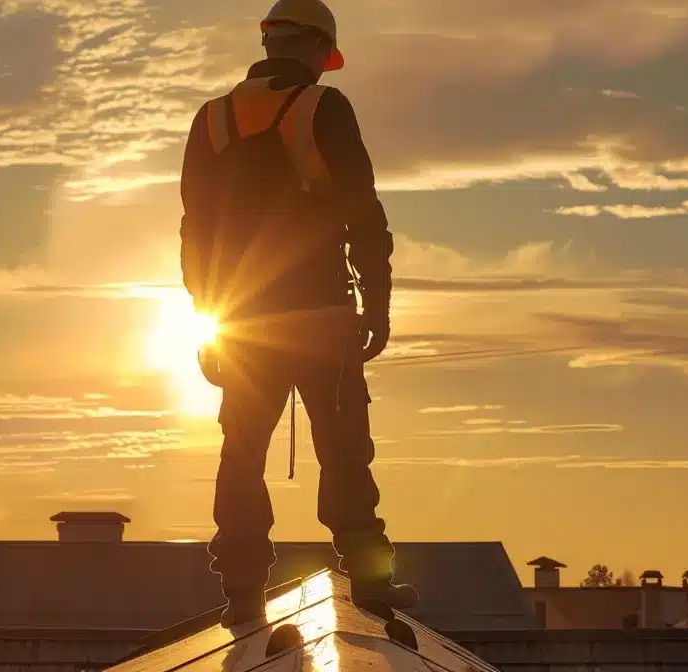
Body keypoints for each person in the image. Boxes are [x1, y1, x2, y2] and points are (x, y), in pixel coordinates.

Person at [178, 0, 414, 627]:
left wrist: (206, 318)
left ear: (268, 42)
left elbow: (194, 230)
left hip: (243, 321)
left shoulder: (212, 118)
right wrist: (378, 301)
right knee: (345, 452)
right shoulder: (323, 107)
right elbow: (363, 211)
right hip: (320, 314)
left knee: (242, 454)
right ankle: (371, 582)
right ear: (315, 47)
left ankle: (242, 590)